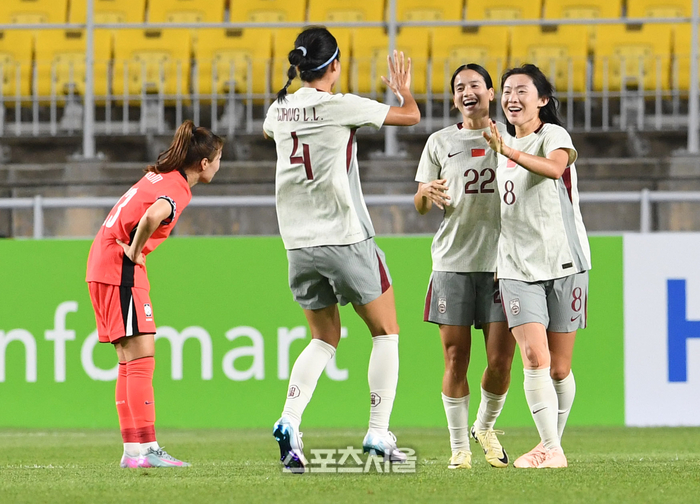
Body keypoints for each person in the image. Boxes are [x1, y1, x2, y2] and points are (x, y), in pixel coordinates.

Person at [262, 26, 420, 473]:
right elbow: (410, 117)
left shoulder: (279, 108)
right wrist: (403, 92)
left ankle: (289, 419)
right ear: (334, 65)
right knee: (385, 332)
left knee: (323, 338)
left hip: (297, 243)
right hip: (344, 236)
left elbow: (271, 131)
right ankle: (378, 431)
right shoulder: (342, 105)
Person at [86, 120, 223, 468]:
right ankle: (147, 449)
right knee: (142, 358)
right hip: (120, 268)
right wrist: (135, 251)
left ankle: (133, 452)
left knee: (128, 360)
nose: (219, 165)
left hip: (102, 262)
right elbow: (152, 215)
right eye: (219, 158)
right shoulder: (178, 188)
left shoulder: (160, 177)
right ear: (204, 163)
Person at [483, 64, 591, 468]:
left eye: (522, 91)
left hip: (565, 261)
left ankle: (550, 445)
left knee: (560, 369)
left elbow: (555, 168)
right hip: (516, 268)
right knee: (533, 358)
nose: (512, 98)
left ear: (542, 100)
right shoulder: (500, 148)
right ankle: (553, 449)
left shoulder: (553, 136)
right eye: (507, 91)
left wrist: (508, 150)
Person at [414, 63, 515, 470]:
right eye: (459, 87)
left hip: (503, 265)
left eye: (475, 84)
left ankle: (484, 427)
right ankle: (460, 448)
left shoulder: (512, 138)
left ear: (491, 93)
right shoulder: (439, 142)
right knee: (456, 359)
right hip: (452, 262)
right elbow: (421, 205)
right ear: (454, 98)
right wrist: (426, 192)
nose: (467, 91)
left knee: (500, 363)